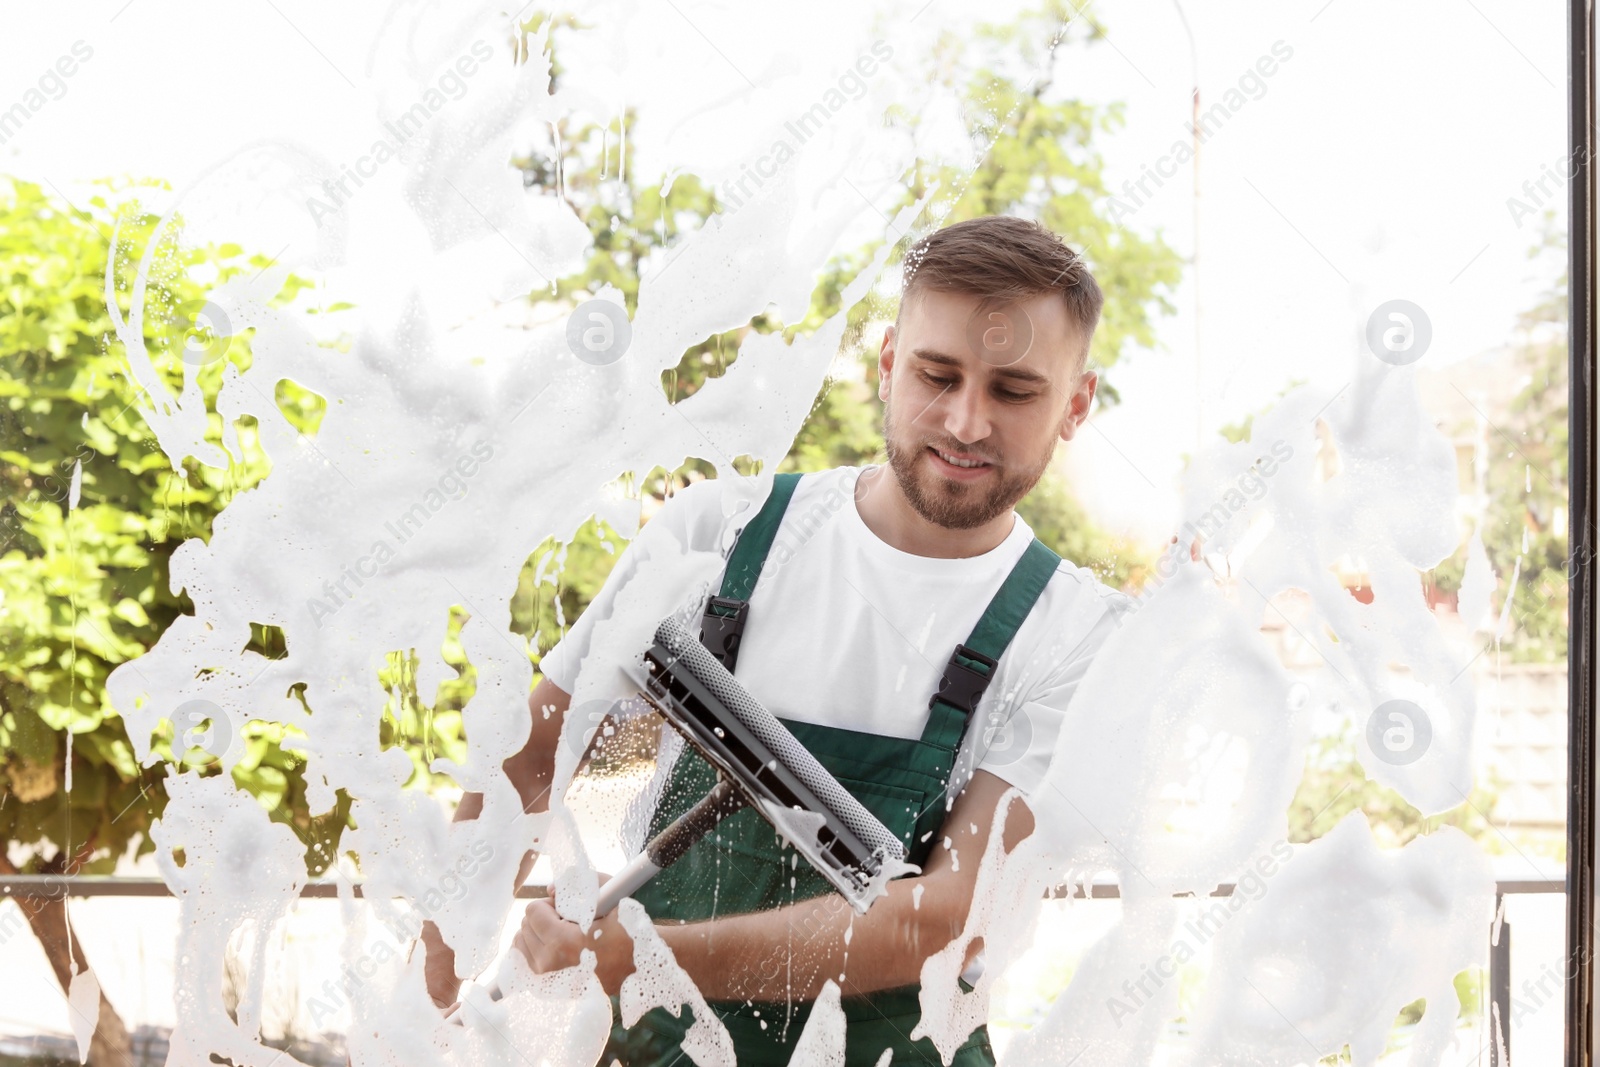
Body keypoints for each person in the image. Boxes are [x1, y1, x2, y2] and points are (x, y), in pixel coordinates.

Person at [423, 214, 1131, 1065]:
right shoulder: (722, 535)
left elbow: (943, 920)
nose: (967, 422)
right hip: (656, 1046)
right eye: (936, 374)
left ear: (1076, 404)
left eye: (1014, 391)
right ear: (885, 364)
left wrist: (646, 954)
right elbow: (532, 754)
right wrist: (431, 996)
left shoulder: (1075, 631)